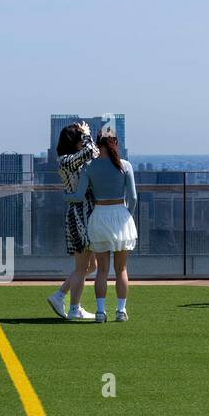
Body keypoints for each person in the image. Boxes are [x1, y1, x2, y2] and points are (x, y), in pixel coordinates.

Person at [71, 130, 137, 322]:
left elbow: (79, 194)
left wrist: (66, 197)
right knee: (121, 269)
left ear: (97, 143)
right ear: (115, 142)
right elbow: (132, 197)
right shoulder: (125, 166)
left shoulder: (89, 166)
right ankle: (121, 311)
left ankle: (100, 312)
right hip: (120, 214)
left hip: (99, 215)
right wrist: (127, 215)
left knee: (101, 270)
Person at [47, 121, 98, 320]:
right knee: (82, 266)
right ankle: (74, 308)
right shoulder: (65, 160)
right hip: (79, 215)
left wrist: (85, 135)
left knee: (90, 266)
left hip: (85, 213)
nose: (82, 142)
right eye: (79, 138)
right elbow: (91, 152)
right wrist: (87, 134)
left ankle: (59, 295)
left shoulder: (71, 159)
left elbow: (91, 153)